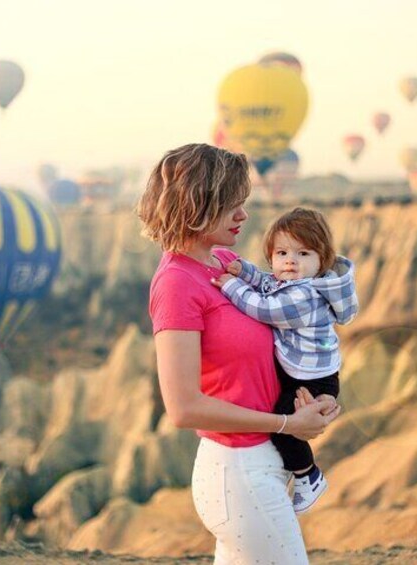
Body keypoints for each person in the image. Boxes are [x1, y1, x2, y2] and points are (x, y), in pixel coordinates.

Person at [137, 143, 341, 565]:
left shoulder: (225, 262)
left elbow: (289, 326)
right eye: (232, 205)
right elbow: (183, 408)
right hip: (237, 471)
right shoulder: (176, 283)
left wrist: (316, 396)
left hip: (264, 463)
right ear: (197, 204)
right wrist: (287, 423)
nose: (243, 216)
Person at [210, 208, 358, 514]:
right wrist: (245, 272)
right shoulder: (289, 281)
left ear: (322, 262)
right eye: (281, 252)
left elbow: (265, 308)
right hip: (303, 370)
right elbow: (267, 282)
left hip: (312, 379)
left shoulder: (304, 296)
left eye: (303, 253)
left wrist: (231, 286)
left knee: (285, 421)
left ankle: (308, 475)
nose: (291, 260)